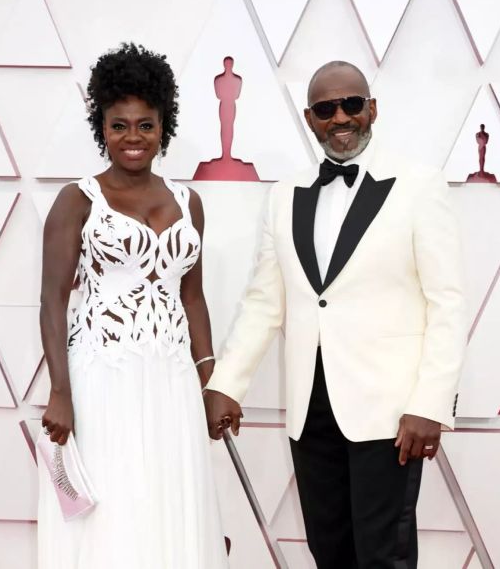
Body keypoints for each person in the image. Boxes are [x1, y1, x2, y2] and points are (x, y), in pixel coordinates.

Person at [204, 60, 467, 568]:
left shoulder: (418, 185)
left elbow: (447, 302)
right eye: (327, 108)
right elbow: (265, 300)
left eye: (352, 104)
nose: (340, 116)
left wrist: (430, 403)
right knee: (330, 554)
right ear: (310, 117)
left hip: (390, 413)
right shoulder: (285, 196)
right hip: (311, 410)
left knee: (383, 557)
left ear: (372, 108)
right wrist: (228, 383)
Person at [37, 43, 228, 569]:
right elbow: (52, 301)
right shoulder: (78, 200)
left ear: (164, 127)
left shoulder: (190, 203)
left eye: (145, 125)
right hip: (102, 379)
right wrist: (60, 392)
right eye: (119, 125)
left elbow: (193, 296)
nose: (133, 138)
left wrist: (210, 384)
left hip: (171, 381)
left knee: (169, 505)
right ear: (101, 127)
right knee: (113, 512)